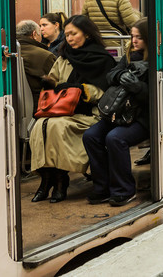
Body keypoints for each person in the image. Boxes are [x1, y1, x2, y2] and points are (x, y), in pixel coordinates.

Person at [30, 15, 115, 203]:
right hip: (63, 110)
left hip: (89, 113)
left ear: (87, 34)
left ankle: (61, 180)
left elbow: (105, 93)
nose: (69, 38)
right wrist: (51, 84)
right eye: (67, 34)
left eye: (73, 34)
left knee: (55, 127)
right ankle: (47, 179)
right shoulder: (64, 57)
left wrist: (79, 90)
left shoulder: (102, 58)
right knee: (40, 125)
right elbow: (53, 79)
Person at [83, 19, 149, 207]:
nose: (134, 41)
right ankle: (102, 187)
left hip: (142, 117)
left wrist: (138, 87)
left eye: (139, 37)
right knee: (91, 136)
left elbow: (154, 96)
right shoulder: (129, 56)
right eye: (132, 36)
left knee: (115, 138)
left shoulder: (157, 59)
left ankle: (124, 190)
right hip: (119, 112)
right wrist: (120, 75)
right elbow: (111, 75)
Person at [17, 20, 56, 103]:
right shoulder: (45, 56)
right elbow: (56, 84)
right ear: (34, 34)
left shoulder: (7, 53)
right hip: (39, 106)